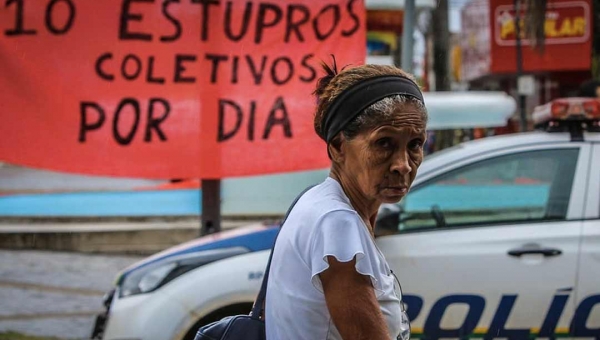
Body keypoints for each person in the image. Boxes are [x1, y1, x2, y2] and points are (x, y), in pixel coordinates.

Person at [265, 62, 428, 340]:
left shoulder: (321, 202)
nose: (403, 165)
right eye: (384, 143)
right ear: (339, 146)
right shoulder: (337, 222)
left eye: (414, 145)